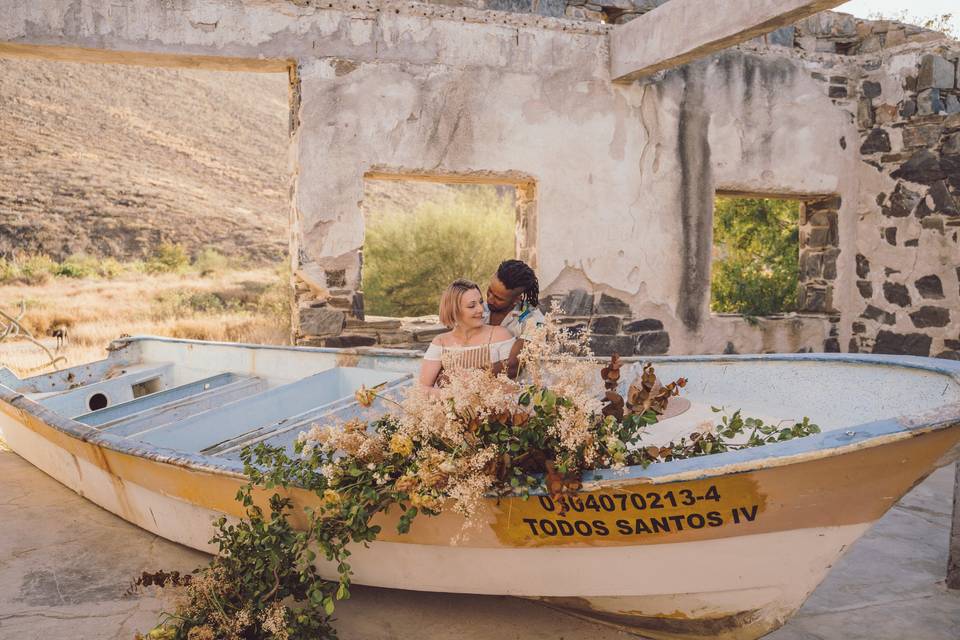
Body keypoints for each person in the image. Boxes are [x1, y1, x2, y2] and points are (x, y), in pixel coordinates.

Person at [419, 279, 515, 387]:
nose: (480, 309)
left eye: (481, 302)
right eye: (471, 306)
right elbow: (423, 388)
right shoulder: (440, 342)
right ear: (454, 310)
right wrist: (453, 397)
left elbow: (512, 384)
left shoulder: (500, 335)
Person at [484, 259, 545, 378]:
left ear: (518, 299)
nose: (490, 299)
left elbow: (513, 366)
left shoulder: (535, 320)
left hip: (515, 392)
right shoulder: (479, 310)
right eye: (489, 291)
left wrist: (467, 373)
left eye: (499, 298)